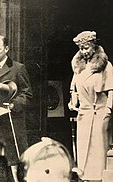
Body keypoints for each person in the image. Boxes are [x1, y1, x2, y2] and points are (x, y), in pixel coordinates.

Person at [0, 35, 33, 182]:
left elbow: (27, 94)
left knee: (13, 160)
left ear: (7, 49)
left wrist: (13, 104)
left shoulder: (18, 68)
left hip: (11, 121)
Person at [68, 31, 113, 182]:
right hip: (84, 114)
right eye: (81, 48)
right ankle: (85, 178)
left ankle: (99, 179)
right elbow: (73, 88)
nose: (83, 52)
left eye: (86, 48)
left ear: (93, 46)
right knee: (83, 150)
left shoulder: (105, 66)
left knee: (98, 151)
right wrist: (73, 101)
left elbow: (111, 90)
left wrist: (108, 110)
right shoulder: (78, 67)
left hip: (100, 113)